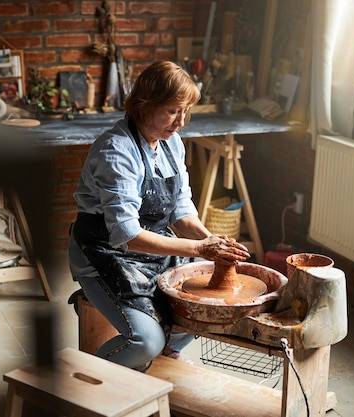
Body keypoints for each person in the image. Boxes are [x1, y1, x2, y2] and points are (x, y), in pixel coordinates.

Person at [69, 60, 250, 371]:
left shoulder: (171, 143)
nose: (180, 121)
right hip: (104, 253)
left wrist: (213, 243)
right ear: (144, 105)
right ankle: (84, 386)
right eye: (172, 111)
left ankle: (162, 358)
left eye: (185, 112)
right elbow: (127, 234)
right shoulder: (116, 151)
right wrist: (199, 249)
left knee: (203, 304)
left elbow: (181, 212)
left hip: (151, 250)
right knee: (145, 341)